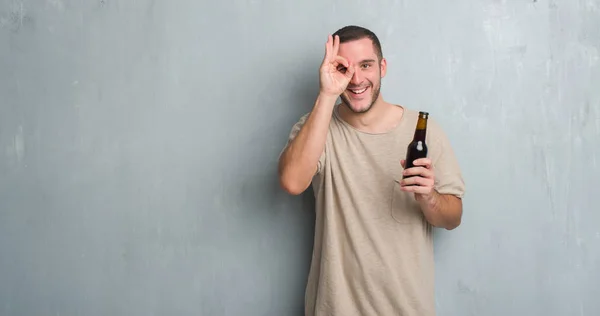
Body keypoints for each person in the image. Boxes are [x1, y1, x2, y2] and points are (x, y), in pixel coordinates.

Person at [277, 25, 466, 316]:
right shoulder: (316, 127)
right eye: (344, 68)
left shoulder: (423, 131)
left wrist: (430, 197)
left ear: (383, 67)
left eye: (366, 65)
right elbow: (291, 182)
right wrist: (328, 94)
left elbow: (453, 217)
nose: (356, 79)